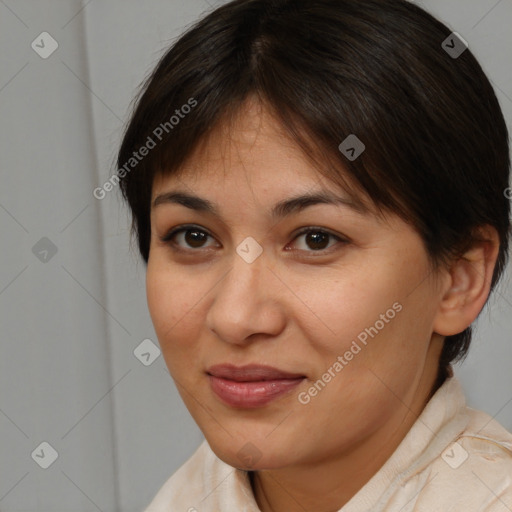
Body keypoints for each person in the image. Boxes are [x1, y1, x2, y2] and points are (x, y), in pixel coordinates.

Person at [116, 0, 512, 510]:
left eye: (315, 239)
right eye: (194, 237)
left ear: (460, 277)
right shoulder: (186, 498)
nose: (235, 318)